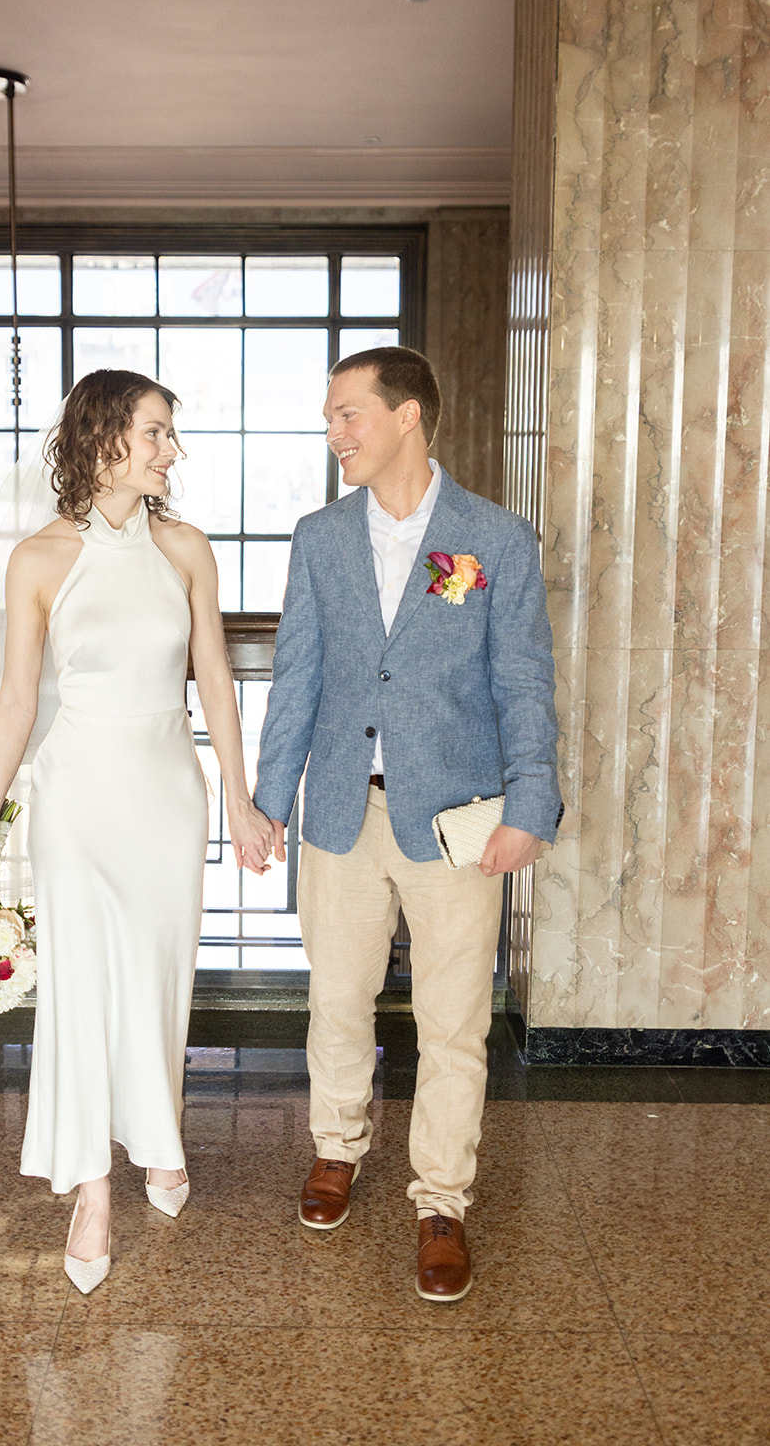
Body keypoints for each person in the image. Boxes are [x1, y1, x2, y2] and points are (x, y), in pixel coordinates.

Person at [0, 369, 274, 1294]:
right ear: (102, 440)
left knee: (159, 977)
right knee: (83, 987)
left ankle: (158, 1136)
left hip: (168, 791)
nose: (171, 450)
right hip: (77, 793)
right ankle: (92, 1188)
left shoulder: (186, 549)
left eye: (171, 434)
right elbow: (16, 701)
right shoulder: (39, 559)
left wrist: (239, 800)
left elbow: (214, 678)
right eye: (157, 432)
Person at [253, 346, 561, 1303]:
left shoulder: (494, 540)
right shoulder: (319, 536)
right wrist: (269, 801)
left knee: (454, 1024)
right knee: (336, 1002)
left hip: (456, 821)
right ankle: (336, 1151)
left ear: (408, 417)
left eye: (348, 414)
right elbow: (295, 675)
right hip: (342, 810)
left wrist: (530, 806)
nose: (335, 433)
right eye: (330, 417)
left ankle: (441, 1203)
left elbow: (522, 682)